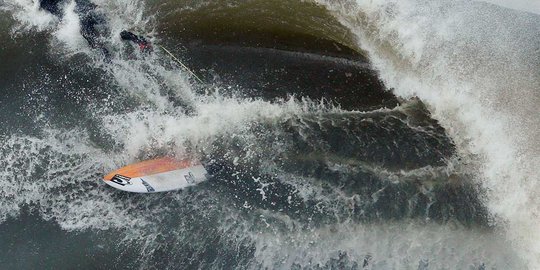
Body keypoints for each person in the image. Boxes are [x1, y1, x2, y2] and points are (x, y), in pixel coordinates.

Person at [39, 0, 152, 56]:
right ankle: (141, 41)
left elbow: (55, 13)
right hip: (90, 8)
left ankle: (110, 63)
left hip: (80, 18)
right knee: (116, 31)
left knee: (96, 44)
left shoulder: (43, 3)